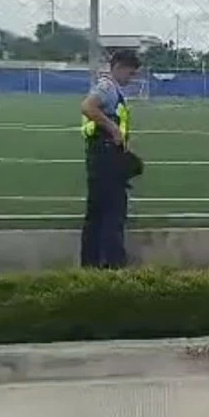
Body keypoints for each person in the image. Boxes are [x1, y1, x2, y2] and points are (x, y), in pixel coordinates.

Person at [79, 49, 141, 269]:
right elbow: (87, 106)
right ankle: (113, 266)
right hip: (105, 157)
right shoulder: (108, 88)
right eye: (130, 73)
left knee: (96, 214)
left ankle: (90, 265)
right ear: (118, 67)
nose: (131, 78)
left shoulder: (110, 89)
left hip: (100, 156)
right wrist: (113, 128)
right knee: (113, 213)